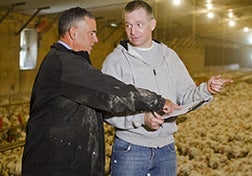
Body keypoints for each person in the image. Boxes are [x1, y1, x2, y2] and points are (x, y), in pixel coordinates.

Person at [21, 6, 179, 176]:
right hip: (54, 165)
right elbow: (110, 91)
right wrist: (157, 101)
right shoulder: (64, 64)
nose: (96, 39)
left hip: (64, 160)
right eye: (91, 33)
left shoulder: (65, 61)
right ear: (74, 32)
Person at [101, 1, 234, 175]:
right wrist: (142, 119)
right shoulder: (115, 61)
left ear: (152, 24)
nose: (133, 31)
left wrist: (206, 90)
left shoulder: (169, 56)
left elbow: (186, 95)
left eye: (139, 24)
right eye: (128, 25)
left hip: (166, 150)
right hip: (130, 150)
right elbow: (106, 108)